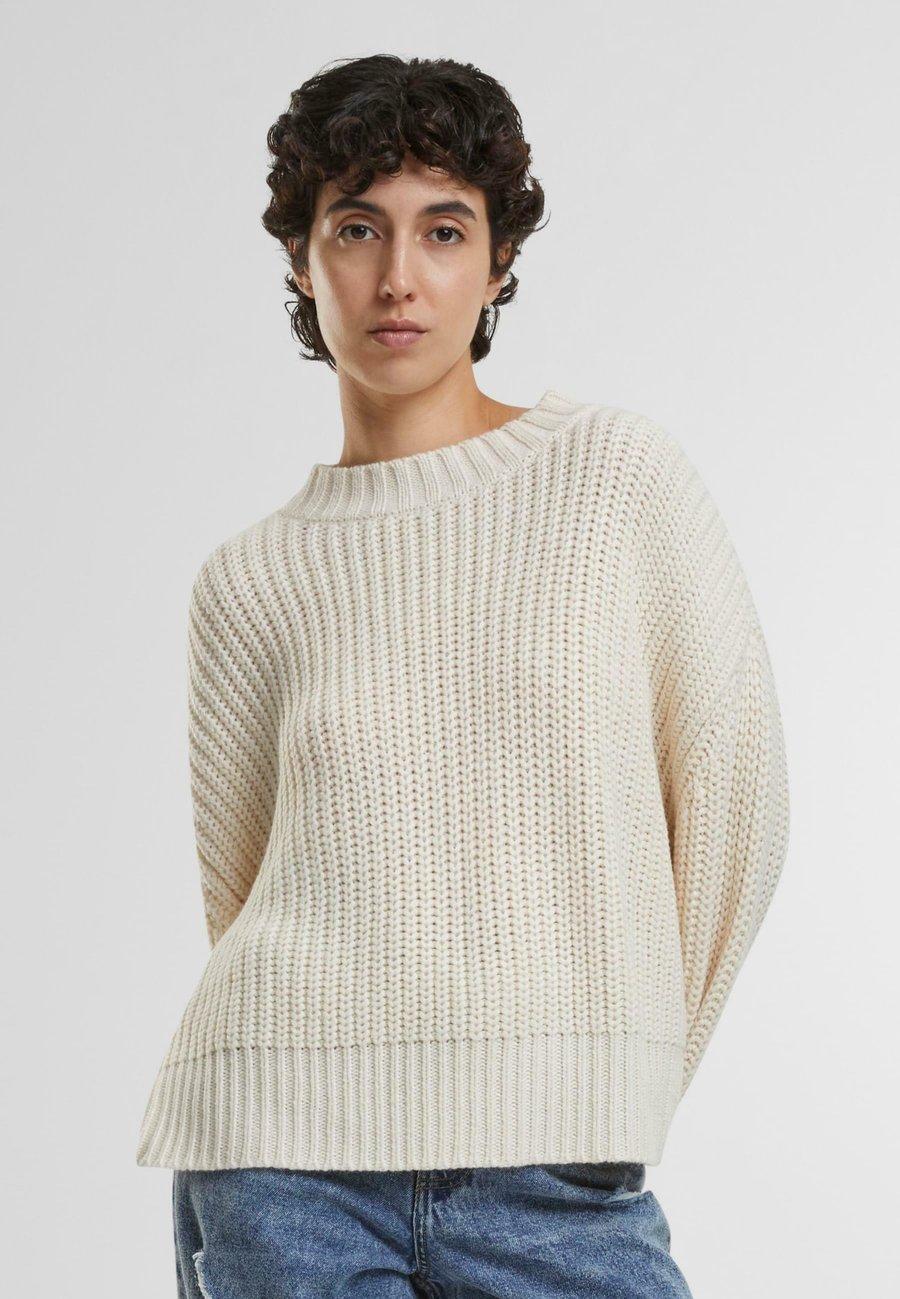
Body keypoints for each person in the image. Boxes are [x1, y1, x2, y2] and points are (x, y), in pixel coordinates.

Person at [136, 54, 790, 1299]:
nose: (399, 276)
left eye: (444, 230)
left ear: (497, 266)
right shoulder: (249, 579)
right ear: (302, 262)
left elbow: (737, 804)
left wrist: (609, 1070)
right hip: (282, 1164)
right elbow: (242, 891)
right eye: (356, 228)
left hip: (559, 1180)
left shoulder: (615, 480)